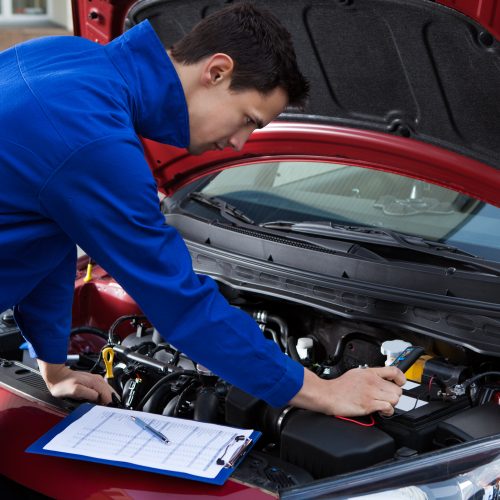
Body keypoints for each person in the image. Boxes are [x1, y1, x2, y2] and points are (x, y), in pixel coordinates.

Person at [0, 2, 404, 417]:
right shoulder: (94, 140)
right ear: (216, 72)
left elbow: (46, 239)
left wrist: (53, 365)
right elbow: (181, 306)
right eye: (248, 119)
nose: (239, 143)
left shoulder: (59, 55)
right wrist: (318, 390)